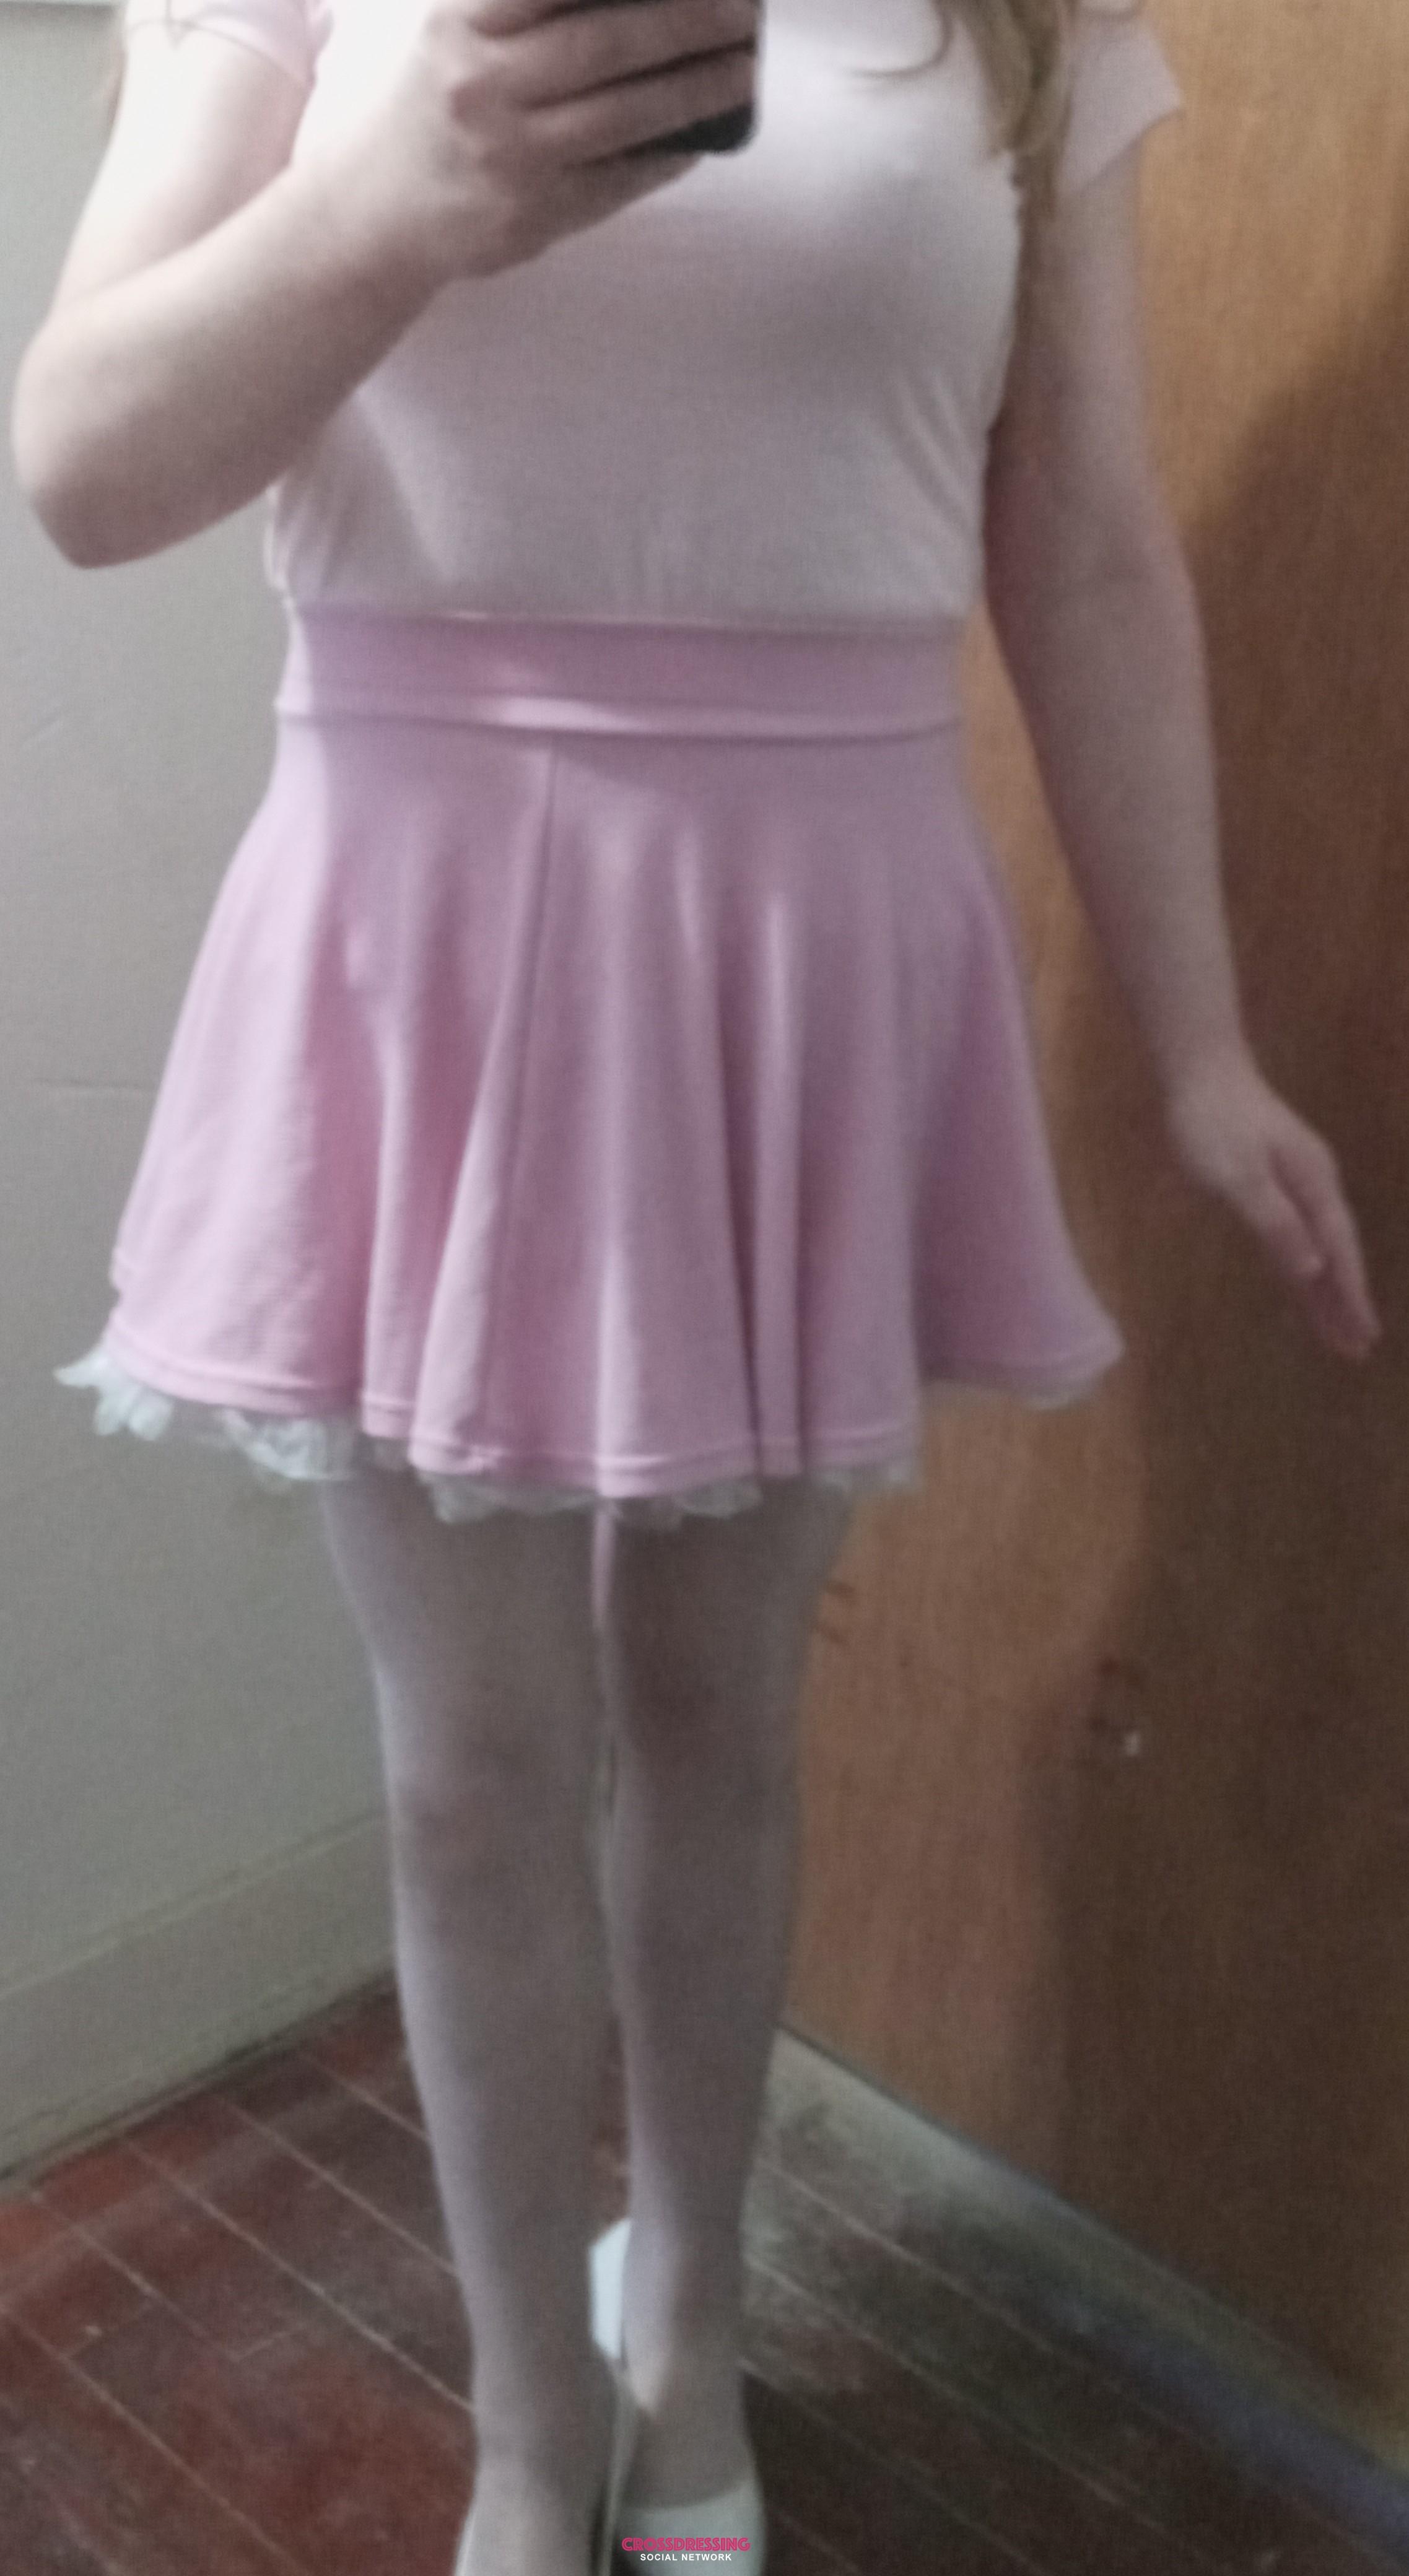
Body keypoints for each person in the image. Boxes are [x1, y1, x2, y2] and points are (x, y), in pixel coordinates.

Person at [9, 1, 1384, 2570]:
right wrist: (389, 196)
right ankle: (531, 2425)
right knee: (469, 1763)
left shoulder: (1028, 16)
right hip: (420, 935)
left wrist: (1199, 1047)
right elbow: (84, 463)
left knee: (721, 1714)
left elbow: (1085, 533)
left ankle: (691, 2343)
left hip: (813, 944)